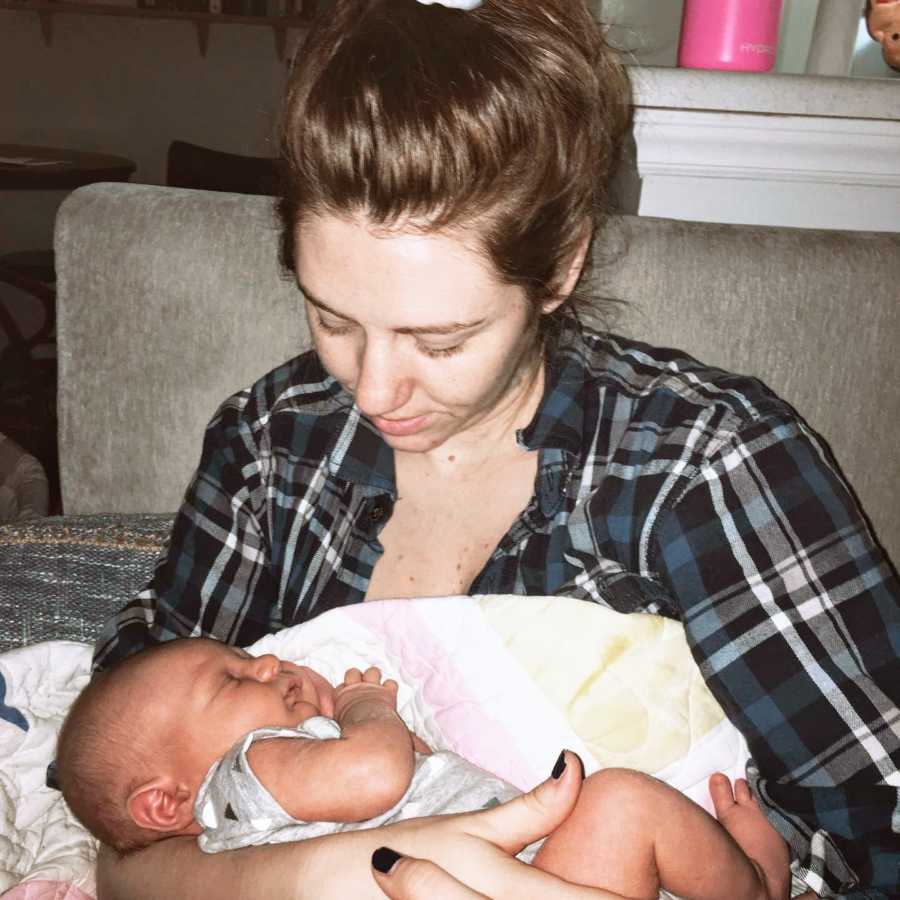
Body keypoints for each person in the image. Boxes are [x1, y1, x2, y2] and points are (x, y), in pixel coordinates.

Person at [89, 0, 900, 897]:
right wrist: (324, 872)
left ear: (560, 268)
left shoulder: (706, 464)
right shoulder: (274, 442)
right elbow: (118, 794)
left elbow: (877, 825)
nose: (371, 391)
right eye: (332, 318)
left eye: (439, 342)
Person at [58, 637, 789, 899]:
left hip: (534, 880)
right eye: (231, 679)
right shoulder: (243, 777)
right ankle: (755, 886)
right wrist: (369, 707)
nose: (269, 662)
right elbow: (375, 776)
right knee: (621, 801)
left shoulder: (261, 814)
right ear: (164, 803)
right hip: (528, 884)